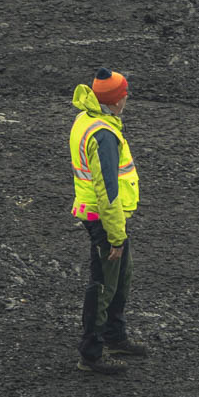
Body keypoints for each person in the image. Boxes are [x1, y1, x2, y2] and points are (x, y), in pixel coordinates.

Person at [67, 68, 147, 375]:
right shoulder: (103, 135)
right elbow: (108, 192)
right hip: (105, 219)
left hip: (103, 216)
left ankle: (115, 336)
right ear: (115, 101)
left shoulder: (87, 119)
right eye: (123, 94)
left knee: (120, 277)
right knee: (103, 285)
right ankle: (91, 354)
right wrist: (116, 236)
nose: (126, 97)